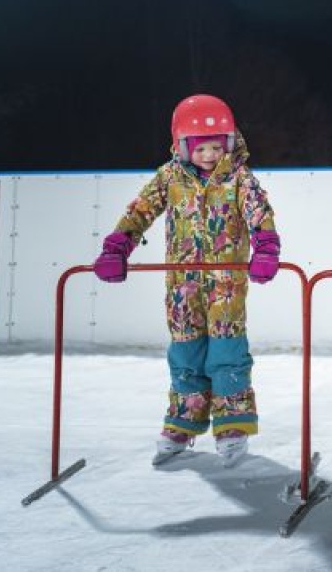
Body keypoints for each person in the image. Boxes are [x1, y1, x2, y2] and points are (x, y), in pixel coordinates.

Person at [92, 93, 280, 468]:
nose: (210, 155)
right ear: (182, 147)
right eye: (201, 148)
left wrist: (266, 247)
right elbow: (140, 211)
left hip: (226, 285)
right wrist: (117, 247)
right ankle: (183, 421)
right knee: (185, 352)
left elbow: (260, 213)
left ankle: (231, 424)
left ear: (228, 144)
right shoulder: (168, 178)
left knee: (227, 354)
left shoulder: (239, 179)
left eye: (216, 146)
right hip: (181, 287)